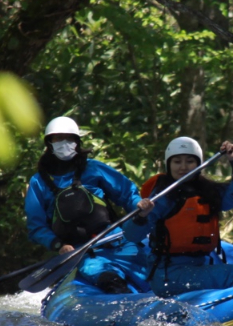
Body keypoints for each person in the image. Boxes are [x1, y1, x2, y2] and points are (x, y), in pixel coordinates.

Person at [23, 116, 153, 293]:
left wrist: (139, 206)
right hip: (82, 252)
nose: (64, 143)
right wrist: (58, 245)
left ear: (77, 142)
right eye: (58, 138)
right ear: (49, 143)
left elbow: (126, 193)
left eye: (69, 138)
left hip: (117, 240)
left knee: (151, 276)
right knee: (110, 281)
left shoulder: (93, 168)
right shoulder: (39, 182)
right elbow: (36, 226)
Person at [124, 136, 233, 297]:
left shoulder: (208, 191)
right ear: (169, 165)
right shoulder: (162, 197)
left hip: (195, 267)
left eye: (190, 161)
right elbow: (131, 236)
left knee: (232, 274)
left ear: (199, 164)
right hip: (168, 275)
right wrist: (142, 215)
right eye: (177, 162)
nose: (183, 167)